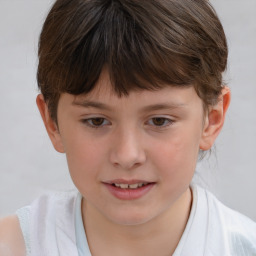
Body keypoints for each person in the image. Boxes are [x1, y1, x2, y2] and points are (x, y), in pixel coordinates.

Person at [0, 0, 255, 255]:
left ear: (212, 119)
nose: (127, 155)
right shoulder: (13, 246)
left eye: (159, 121)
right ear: (52, 122)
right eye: (96, 121)